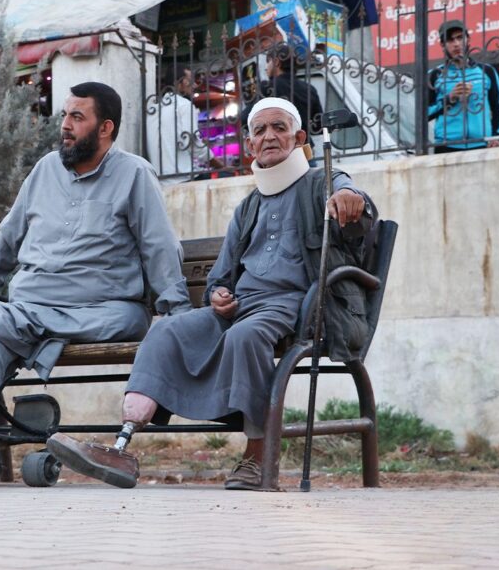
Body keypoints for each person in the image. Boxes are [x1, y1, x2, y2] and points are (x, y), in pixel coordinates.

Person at [48, 97, 375, 491]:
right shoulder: (248, 206)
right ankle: (122, 446)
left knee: (245, 336)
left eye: (279, 128)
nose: (270, 136)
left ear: (299, 137)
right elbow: (222, 276)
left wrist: (347, 196)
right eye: (260, 131)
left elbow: (348, 193)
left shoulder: (321, 182)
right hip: (243, 308)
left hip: (295, 306)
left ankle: (257, 459)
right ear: (250, 145)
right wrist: (218, 293)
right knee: (166, 331)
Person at [0, 82, 192, 486]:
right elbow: (9, 236)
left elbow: (159, 245)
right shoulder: (46, 168)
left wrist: (177, 312)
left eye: (77, 117)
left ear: (105, 128)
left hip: (102, 311)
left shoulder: (134, 173)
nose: (65, 125)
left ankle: (35, 340)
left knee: (126, 321)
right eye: (65, 115)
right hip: (30, 306)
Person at [427, 20, 499, 153]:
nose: (456, 44)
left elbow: (498, 107)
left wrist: (496, 136)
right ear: (442, 45)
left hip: (482, 144)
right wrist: (450, 98)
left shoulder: (487, 71)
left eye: (460, 37)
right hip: (446, 145)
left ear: (468, 40)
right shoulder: (434, 75)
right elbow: (425, 113)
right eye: (450, 40)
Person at [242, 44, 324, 159]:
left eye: (268, 61)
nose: (266, 67)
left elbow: (245, 118)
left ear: (276, 62)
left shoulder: (268, 87)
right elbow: (318, 124)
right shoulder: (309, 88)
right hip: (304, 150)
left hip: (277, 152)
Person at [145, 65, 218, 184]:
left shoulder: (154, 109)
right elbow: (193, 145)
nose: (194, 85)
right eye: (190, 80)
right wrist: (218, 163)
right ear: (181, 82)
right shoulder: (184, 105)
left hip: (160, 180)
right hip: (184, 177)